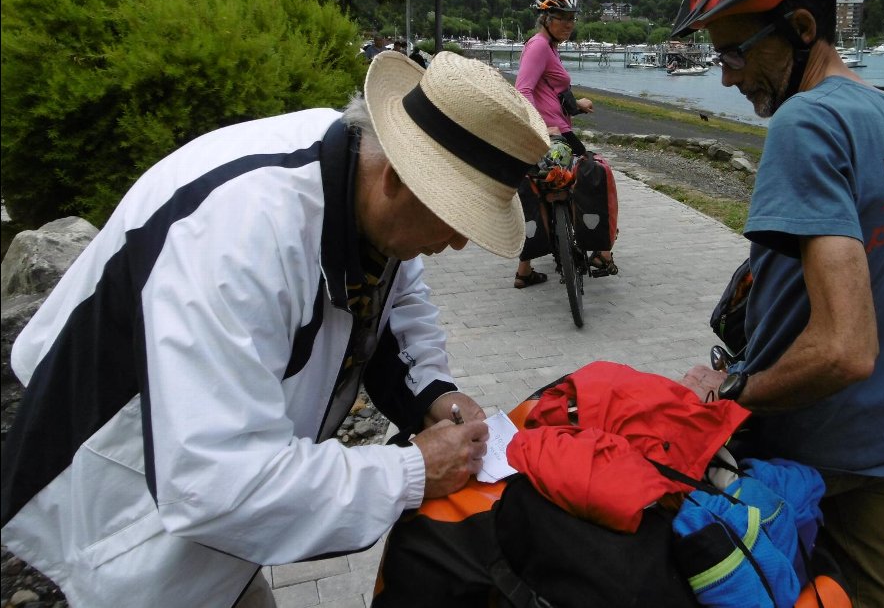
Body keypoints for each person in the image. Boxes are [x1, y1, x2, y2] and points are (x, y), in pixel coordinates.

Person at [0, 51, 551, 608]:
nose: (457, 244)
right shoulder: (235, 237)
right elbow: (215, 482)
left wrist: (432, 392)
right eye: (456, 220)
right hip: (116, 524)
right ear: (396, 179)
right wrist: (412, 471)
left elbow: (398, 294)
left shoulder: (359, 174)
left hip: (212, 526)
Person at [673, 0, 884, 606]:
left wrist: (730, 389)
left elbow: (844, 348)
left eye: (734, 54)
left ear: (800, 27)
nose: (728, 77)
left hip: (809, 457)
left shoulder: (807, 122)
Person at [512, 0, 618, 288]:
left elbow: (549, 91)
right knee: (593, 176)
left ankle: (524, 269)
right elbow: (523, 90)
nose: (569, 23)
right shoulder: (539, 46)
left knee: (539, 191)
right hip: (553, 133)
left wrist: (577, 106)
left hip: (557, 127)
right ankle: (601, 251)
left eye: (572, 18)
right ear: (545, 18)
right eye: (561, 18)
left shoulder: (549, 46)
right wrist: (539, 126)